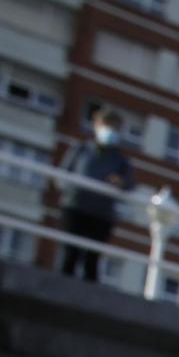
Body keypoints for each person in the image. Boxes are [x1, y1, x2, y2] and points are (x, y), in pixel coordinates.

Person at [58, 109, 134, 283]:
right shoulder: (81, 149)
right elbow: (63, 176)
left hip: (101, 214)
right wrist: (73, 191)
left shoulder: (121, 160)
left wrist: (120, 183)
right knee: (70, 254)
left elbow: (130, 184)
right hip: (76, 208)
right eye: (107, 126)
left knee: (92, 260)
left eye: (115, 128)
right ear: (96, 126)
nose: (111, 131)